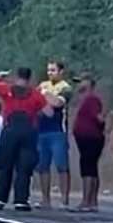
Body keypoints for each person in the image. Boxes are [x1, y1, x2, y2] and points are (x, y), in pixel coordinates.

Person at [0, 67, 56, 211]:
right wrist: (38, 111)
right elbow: (49, 113)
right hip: (28, 132)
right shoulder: (36, 94)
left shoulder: (7, 89)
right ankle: (21, 200)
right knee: (24, 167)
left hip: (10, 131)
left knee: (4, 165)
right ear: (29, 78)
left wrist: (0, 75)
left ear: (17, 76)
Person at [37, 60, 73, 209]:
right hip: (41, 131)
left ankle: (64, 200)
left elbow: (58, 103)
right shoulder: (42, 85)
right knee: (42, 166)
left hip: (58, 131)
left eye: (53, 70)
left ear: (61, 72)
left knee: (62, 166)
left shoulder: (66, 87)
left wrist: (45, 95)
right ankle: (46, 200)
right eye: (49, 70)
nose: (50, 73)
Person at [73, 74, 106, 212]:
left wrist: (101, 124)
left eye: (81, 82)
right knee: (91, 168)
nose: (79, 84)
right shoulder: (86, 100)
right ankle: (92, 202)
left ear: (89, 83)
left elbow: (99, 118)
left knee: (88, 169)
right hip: (89, 138)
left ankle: (87, 201)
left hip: (90, 138)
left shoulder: (91, 99)